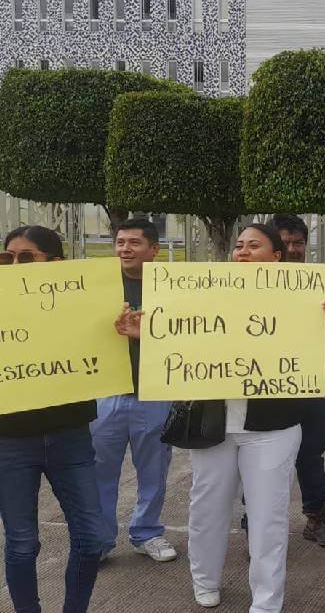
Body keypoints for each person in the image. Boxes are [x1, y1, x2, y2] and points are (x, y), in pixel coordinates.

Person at [120, 223, 325, 611]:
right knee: (207, 508)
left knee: (269, 517)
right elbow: (181, 341)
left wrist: (322, 334)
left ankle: (267, 601)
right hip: (212, 423)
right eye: (238, 246)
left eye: (254, 246)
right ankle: (205, 580)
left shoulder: (303, 301)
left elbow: (323, 376)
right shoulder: (205, 295)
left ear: (276, 257)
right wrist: (145, 335)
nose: (243, 252)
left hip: (273, 427)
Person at [0, 226, 105, 613]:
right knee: (22, 544)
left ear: (56, 263)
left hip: (70, 435)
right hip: (9, 440)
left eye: (26, 257)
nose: (15, 264)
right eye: (6, 257)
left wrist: (125, 333)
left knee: (92, 538)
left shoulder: (86, 306)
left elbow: (108, 357)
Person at [89, 219, 177, 564]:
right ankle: (99, 540)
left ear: (154, 249)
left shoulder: (172, 287)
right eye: (120, 242)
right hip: (106, 391)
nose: (125, 249)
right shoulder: (99, 285)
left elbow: (188, 334)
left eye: (134, 243)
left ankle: (147, 533)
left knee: (153, 470)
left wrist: (149, 332)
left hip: (153, 392)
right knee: (99, 471)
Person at [267, 214, 325, 548]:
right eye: (284, 242)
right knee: (264, 455)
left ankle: (317, 516)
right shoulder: (250, 283)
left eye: (298, 243)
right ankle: (255, 518)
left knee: (312, 450)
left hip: (313, 381)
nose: (292, 249)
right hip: (265, 384)